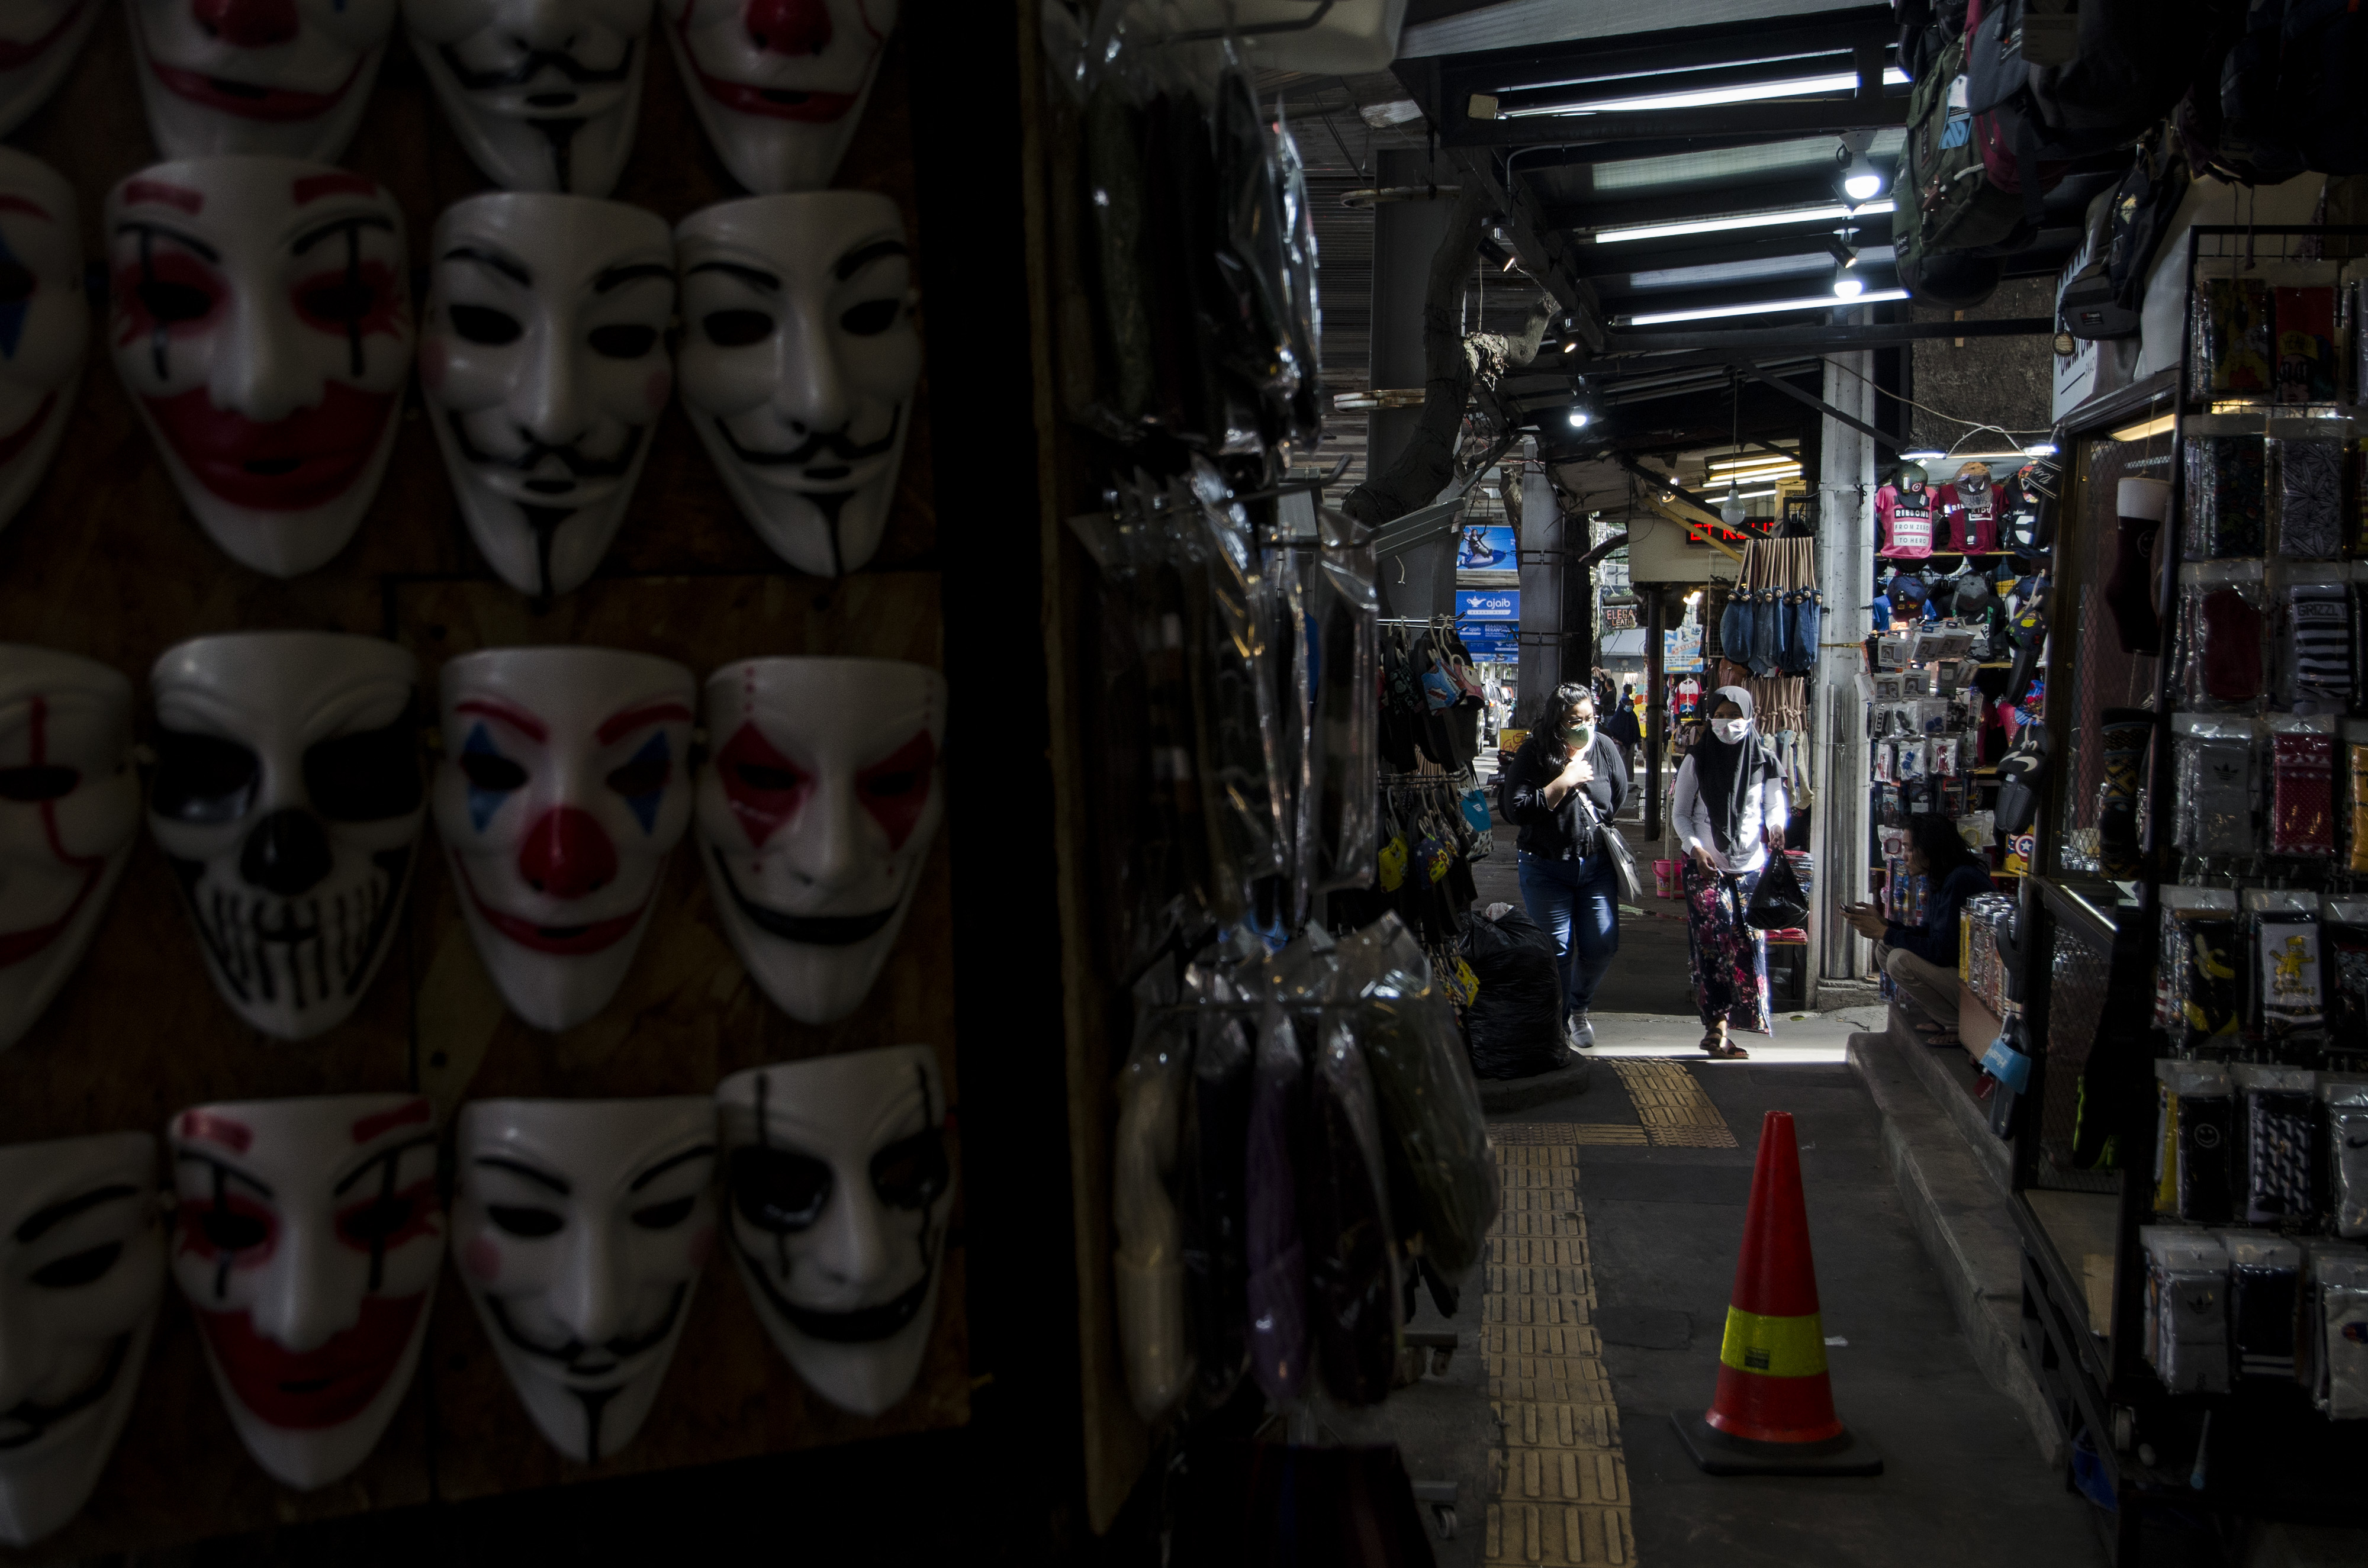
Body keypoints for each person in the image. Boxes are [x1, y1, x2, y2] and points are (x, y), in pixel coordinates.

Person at [1502, 682, 1630, 1050]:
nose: (1585, 726)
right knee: (1557, 950)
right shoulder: (1535, 751)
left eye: (1590, 718)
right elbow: (1516, 809)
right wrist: (1564, 781)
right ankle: (1557, 1029)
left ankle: (1579, 1009)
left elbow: (1617, 796)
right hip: (1545, 868)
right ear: (1557, 721)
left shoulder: (1604, 749)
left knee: (1602, 944)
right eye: (1576, 720)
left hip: (1596, 867)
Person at [1672, 686, 1787, 1058]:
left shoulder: (1765, 761)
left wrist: (1777, 826)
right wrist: (1696, 849)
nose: (1725, 723)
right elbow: (1681, 815)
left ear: (1750, 717)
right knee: (1713, 945)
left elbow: (1773, 805)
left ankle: (1730, 1025)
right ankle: (1717, 1026)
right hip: (1707, 868)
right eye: (1719, 715)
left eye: (1733, 716)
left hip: (1751, 868)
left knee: (1747, 945)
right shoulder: (1697, 760)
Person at [1843, 814, 1998, 1048]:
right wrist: (1886, 926)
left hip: (1980, 991)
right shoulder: (1942, 877)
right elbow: (1929, 934)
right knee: (1886, 950)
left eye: (1909, 848)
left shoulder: (1960, 879)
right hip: (1957, 976)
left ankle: (1958, 1025)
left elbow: (1941, 952)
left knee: (1898, 960)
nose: (1903, 857)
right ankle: (1944, 1018)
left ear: (1930, 849)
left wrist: (1886, 932)